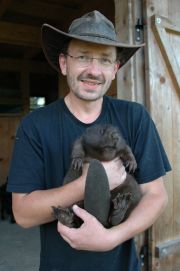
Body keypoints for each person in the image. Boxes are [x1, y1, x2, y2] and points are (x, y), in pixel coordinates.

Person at [7, 10, 171, 271]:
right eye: (83, 56)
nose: (94, 70)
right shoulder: (34, 126)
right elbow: (23, 214)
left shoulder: (135, 116)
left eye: (105, 60)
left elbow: (156, 195)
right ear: (64, 63)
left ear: (115, 69)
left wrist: (110, 238)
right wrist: (88, 183)